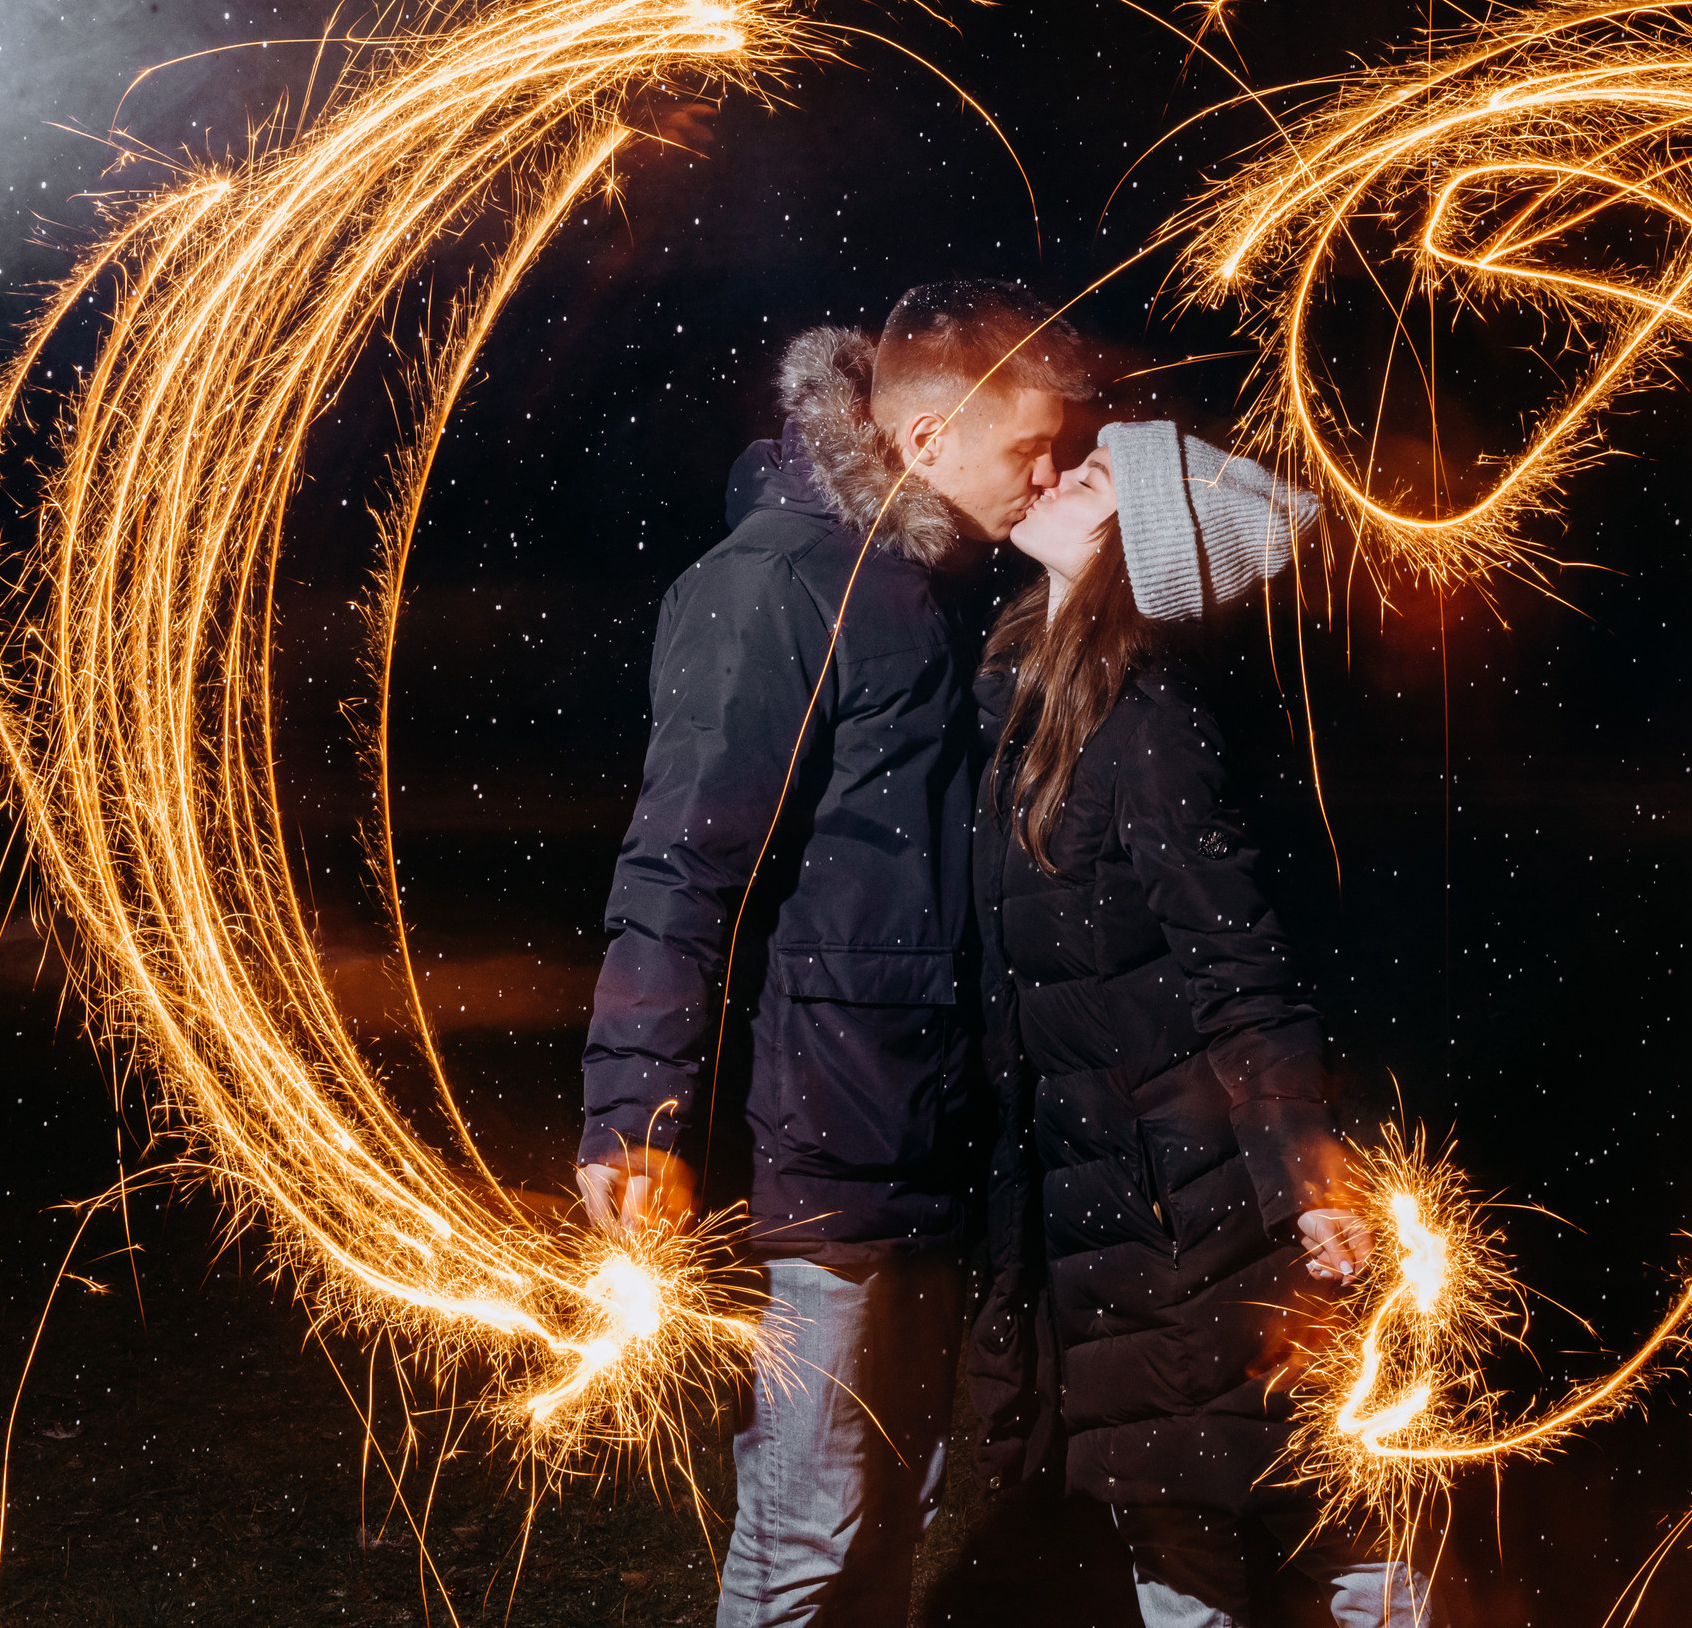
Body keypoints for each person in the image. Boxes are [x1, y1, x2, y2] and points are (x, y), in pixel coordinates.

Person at [574, 280, 1090, 1627]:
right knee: (814, 1527)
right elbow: (680, 867)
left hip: (919, 1119)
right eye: (1028, 449)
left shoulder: (932, 580)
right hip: (821, 1132)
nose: (1056, 472)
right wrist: (640, 1112)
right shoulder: (777, 587)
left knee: (896, 1510)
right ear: (923, 446)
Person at [968, 422, 1426, 1627]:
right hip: (1118, 1205)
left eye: (1097, 477)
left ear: (1140, 546)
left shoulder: (1148, 722)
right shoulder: (1039, 703)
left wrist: (1306, 1175)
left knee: (1282, 1517)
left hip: (1200, 1207)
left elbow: (1240, 966)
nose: (1060, 472)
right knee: (1180, 1532)